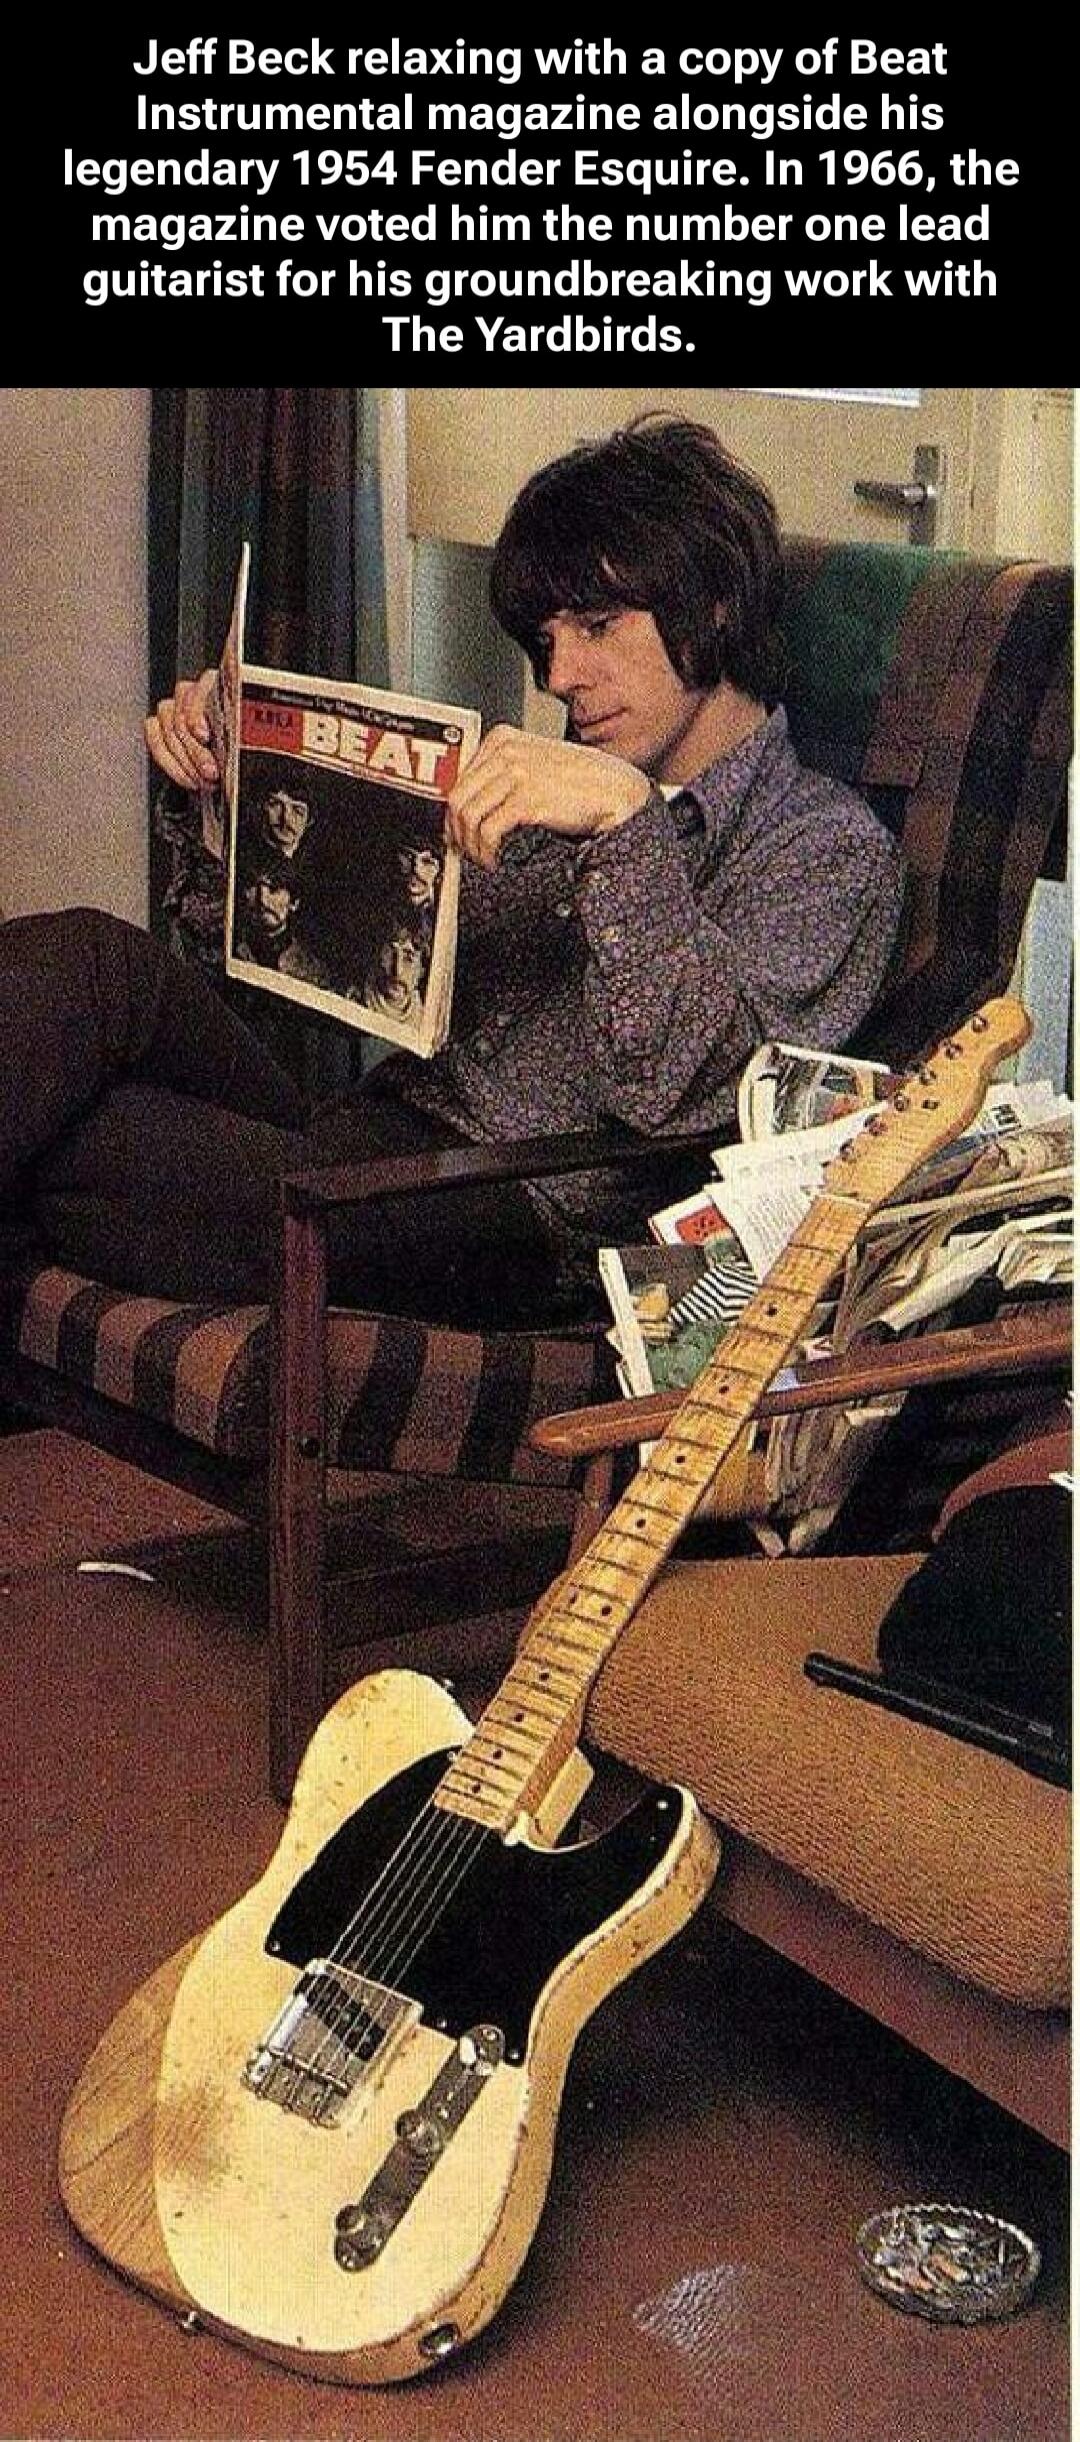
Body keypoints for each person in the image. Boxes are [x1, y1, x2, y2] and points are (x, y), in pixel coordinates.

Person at [2, 417, 906, 1326]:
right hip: (366, 1135)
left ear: (713, 606)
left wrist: (626, 825)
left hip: (515, 1220)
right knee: (88, 960)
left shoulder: (826, 848)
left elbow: (684, 1091)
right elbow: (301, 971)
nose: (559, 675)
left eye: (596, 626)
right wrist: (227, 804)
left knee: (89, 1138)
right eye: (545, 640)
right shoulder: (539, 785)